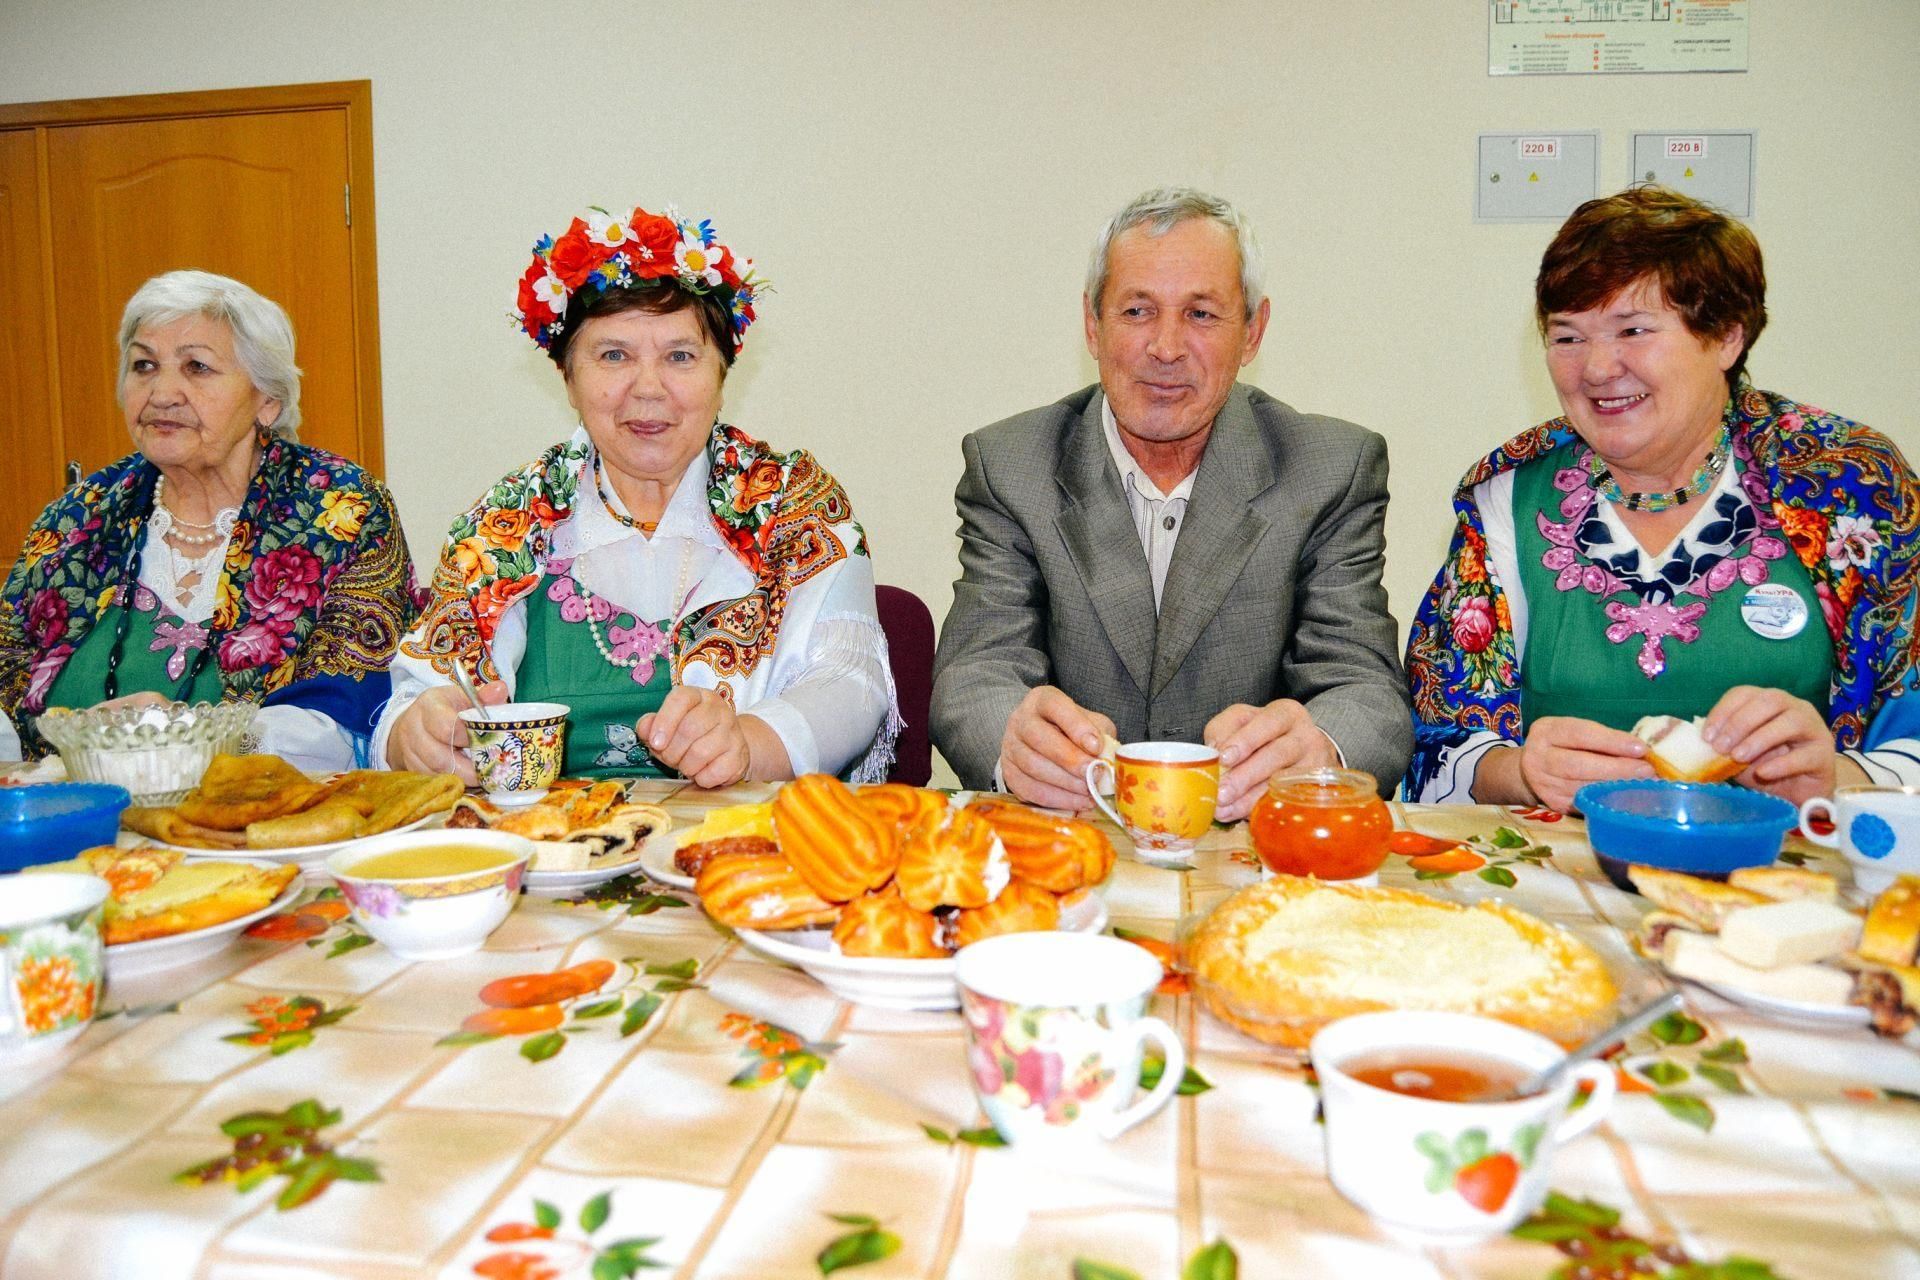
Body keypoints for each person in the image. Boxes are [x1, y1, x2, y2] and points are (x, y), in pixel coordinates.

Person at [1406, 186, 1920, 811]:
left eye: (1633, 330)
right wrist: (1517, 772)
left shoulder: (1850, 485)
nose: (1596, 369)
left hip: (1792, 882)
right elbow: (1424, 751)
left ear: (1728, 336)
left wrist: (1839, 776)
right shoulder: (1509, 497)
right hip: (1559, 878)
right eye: (1567, 338)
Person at [930, 187, 1412, 820]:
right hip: (1069, 834)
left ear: (1253, 332)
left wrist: (1320, 748)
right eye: (1136, 311)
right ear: (1091, 326)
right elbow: (976, 674)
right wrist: (1013, 744)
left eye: (1202, 315)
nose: (1165, 347)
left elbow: (1364, 688)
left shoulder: (1329, 467)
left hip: (1257, 843)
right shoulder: (1012, 465)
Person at [377, 202, 896, 787]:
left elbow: (851, 678)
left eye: (680, 356)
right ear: (567, 379)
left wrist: (751, 744)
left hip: (747, 844)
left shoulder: (792, 503)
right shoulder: (506, 520)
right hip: (552, 853)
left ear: (722, 375)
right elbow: (418, 695)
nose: (648, 389)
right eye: (614, 355)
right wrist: (413, 734)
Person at [0, 270, 418, 771]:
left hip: (265, 829)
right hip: (84, 828)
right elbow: (9, 692)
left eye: (196, 367)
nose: (161, 392)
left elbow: (355, 716)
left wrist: (188, 737)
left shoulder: (342, 510)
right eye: (143, 365)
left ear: (267, 399)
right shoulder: (77, 517)